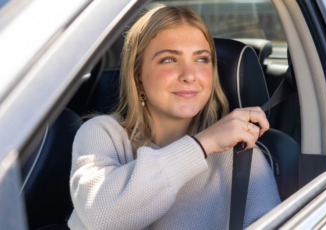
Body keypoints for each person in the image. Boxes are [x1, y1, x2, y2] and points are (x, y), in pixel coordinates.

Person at [68, 5, 280, 230]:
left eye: (201, 59)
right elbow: (102, 218)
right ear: (138, 77)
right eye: (169, 59)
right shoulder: (102, 135)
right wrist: (202, 145)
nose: (189, 75)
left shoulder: (242, 157)